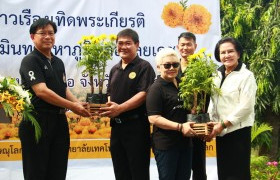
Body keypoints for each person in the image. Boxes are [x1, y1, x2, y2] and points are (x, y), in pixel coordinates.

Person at [19, 18, 91, 180]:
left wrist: (78, 104)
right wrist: (72, 106)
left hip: (58, 121)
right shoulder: (31, 61)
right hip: (37, 121)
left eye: (51, 33)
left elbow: (62, 88)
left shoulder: (57, 62)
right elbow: (42, 91)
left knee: (57, 171)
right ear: (32, 37)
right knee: (36, 172)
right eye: (42, 33)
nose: (47, 37)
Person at [100, 28, 156, 180]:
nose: (123, 47)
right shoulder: (114, 69)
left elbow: (144, 94)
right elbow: (110, 93)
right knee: (120, 171)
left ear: (137, 45)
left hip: (136, 128)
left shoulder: (144, 67)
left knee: (138, 172)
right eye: (120, 43)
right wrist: (108, 106)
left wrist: (120, 108)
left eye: (128, 43)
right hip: (117, 129)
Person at [207, 37, 257, 180]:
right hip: (221, 132)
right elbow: (213, 102)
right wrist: (213, 123)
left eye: (230, 51)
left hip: (238, 132)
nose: (226, 55)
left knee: (238, 174)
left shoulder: (246, 76)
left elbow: (246, 107)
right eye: (223, 52)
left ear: (238, 54)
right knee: (224, 173)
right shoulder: (216, 75)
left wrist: (223, 124)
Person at [146, 48, 196, 180]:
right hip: (166, 145)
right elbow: (153, 118)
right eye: (167, 65)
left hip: (185, 143)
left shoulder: (182, 84)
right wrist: (180, 127)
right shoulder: (156, 88)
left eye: (175, 64)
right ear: (158, 67)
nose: (172, 68)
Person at [176, 32, 208, 180]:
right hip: (178, 122)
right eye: (182, 44)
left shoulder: (203, 68)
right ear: (177, 47)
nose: (185, 48)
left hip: (197, 122)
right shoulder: (172, 67)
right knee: (179, 165)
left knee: (198, 165)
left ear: (195, 46)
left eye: (189, 44)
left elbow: (208, 97)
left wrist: (205, 122)